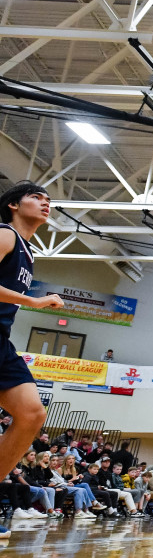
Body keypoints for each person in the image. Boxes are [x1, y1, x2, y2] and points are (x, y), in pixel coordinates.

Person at [0, 182, 63, 538]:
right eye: (36, 197)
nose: (45, 203)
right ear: (13, 204)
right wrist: (36, 302)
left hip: (2, 341)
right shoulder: (5, 235)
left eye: (48, 200)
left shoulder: (28, 251)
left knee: (32, 414)